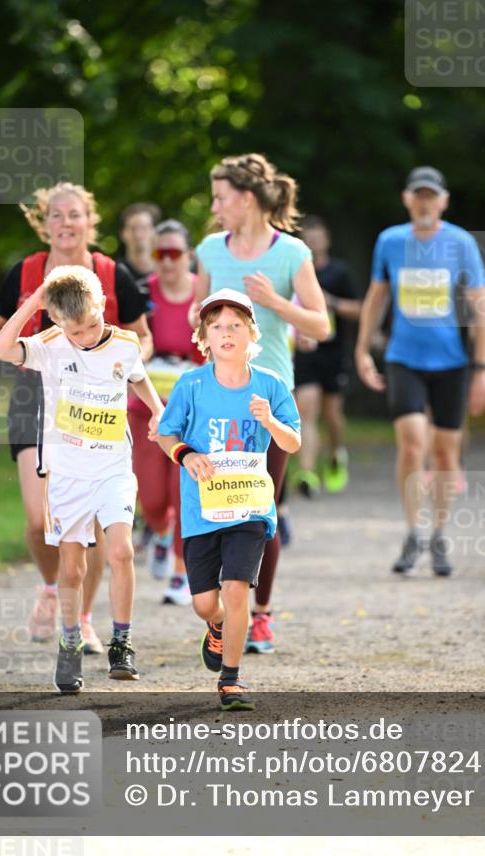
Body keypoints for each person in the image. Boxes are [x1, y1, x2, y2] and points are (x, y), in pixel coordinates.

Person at [0, 183, 153, 651]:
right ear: (43, 223)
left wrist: (123, 369)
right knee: (37, 520)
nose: (66, 223)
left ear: (90, 221)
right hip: (37, 391)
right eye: (56, 215)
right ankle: (52, 588)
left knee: (90, 526)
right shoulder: (27, 271)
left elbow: (142, 338)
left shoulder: (113, 274)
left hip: (95, 402)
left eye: (75, 215)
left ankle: (84, 619)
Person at [0, 266, 164, 692]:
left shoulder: (123, 343)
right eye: (75, 332)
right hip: (67, 472)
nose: (86, 338)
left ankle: (121, 642)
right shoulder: (49, 344)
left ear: (103, 307)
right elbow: (0, 347)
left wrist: (159, 413)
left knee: (121, 550)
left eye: (91, 326)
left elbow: (139, 379)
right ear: (55, 322)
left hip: (112, 468)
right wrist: (35, 300)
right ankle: (69, 643)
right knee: (72, 567)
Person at [194, 153, 330, 652]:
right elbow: (196, 314)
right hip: (215, 397)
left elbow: (320, 324)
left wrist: (275, 303)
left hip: (270, 397)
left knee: (261, 507)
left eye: (220, 197)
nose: (215, 207)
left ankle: (261, 614)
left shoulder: (290, 253)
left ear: (246, 199)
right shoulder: (210, 250)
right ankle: (221, 611)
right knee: (216, 506)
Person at [157, 289, 301, 710]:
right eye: (217, 326)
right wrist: (186, 454)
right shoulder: (191, 385)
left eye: (236, 326)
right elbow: (168, 433)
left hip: (250, 507)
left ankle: (231, 679)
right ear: (204, 335)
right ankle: (216, 626)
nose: (226, 333)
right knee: (206, 602)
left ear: (251, 333)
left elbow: (292, 442)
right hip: (203, 509)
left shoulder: (270, 385)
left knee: (237, 588)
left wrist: (270, 420)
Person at [355, 166, 485, 577]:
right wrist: (363, 349)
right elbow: (376, 298)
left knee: (446, 452)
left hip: (451, 362)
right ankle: (413, 529)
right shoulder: (390, 241)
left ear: (444, 201)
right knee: (413, 444)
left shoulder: (461, 243)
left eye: (432, 195)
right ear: (407, 199)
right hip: (403, 357)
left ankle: (438, 532)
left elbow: (482, 307)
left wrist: (483, 369)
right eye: (418, 195)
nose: (425, 202)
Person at [128, 219, 205, 605]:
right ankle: (159, 530)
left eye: (175, 253)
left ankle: (181, 574)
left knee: (184, 492)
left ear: (188, 256)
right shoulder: (143, 295)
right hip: (145, 412)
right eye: (161, 253)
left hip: (190, 417)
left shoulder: (201, 296)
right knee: (153, 498)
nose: (168, 261)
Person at [294, 215, 362, 497]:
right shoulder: (295, 272)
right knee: (306, 409)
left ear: (327, 240)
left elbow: (359, 309)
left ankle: (336, 453)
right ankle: (307, 473)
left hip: (333, 352)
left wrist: (329, 301)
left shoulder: (340, 272)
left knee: (332, 414)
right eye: (308, 237)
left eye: (318, 236)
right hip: (305, 350)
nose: (313, 241)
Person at [118, 202, 162, 298]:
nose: (138, 234)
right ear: (123, 234)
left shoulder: (168, 269)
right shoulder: (115, 273)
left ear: (154, 231)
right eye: (133, 228)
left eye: (144, 228)